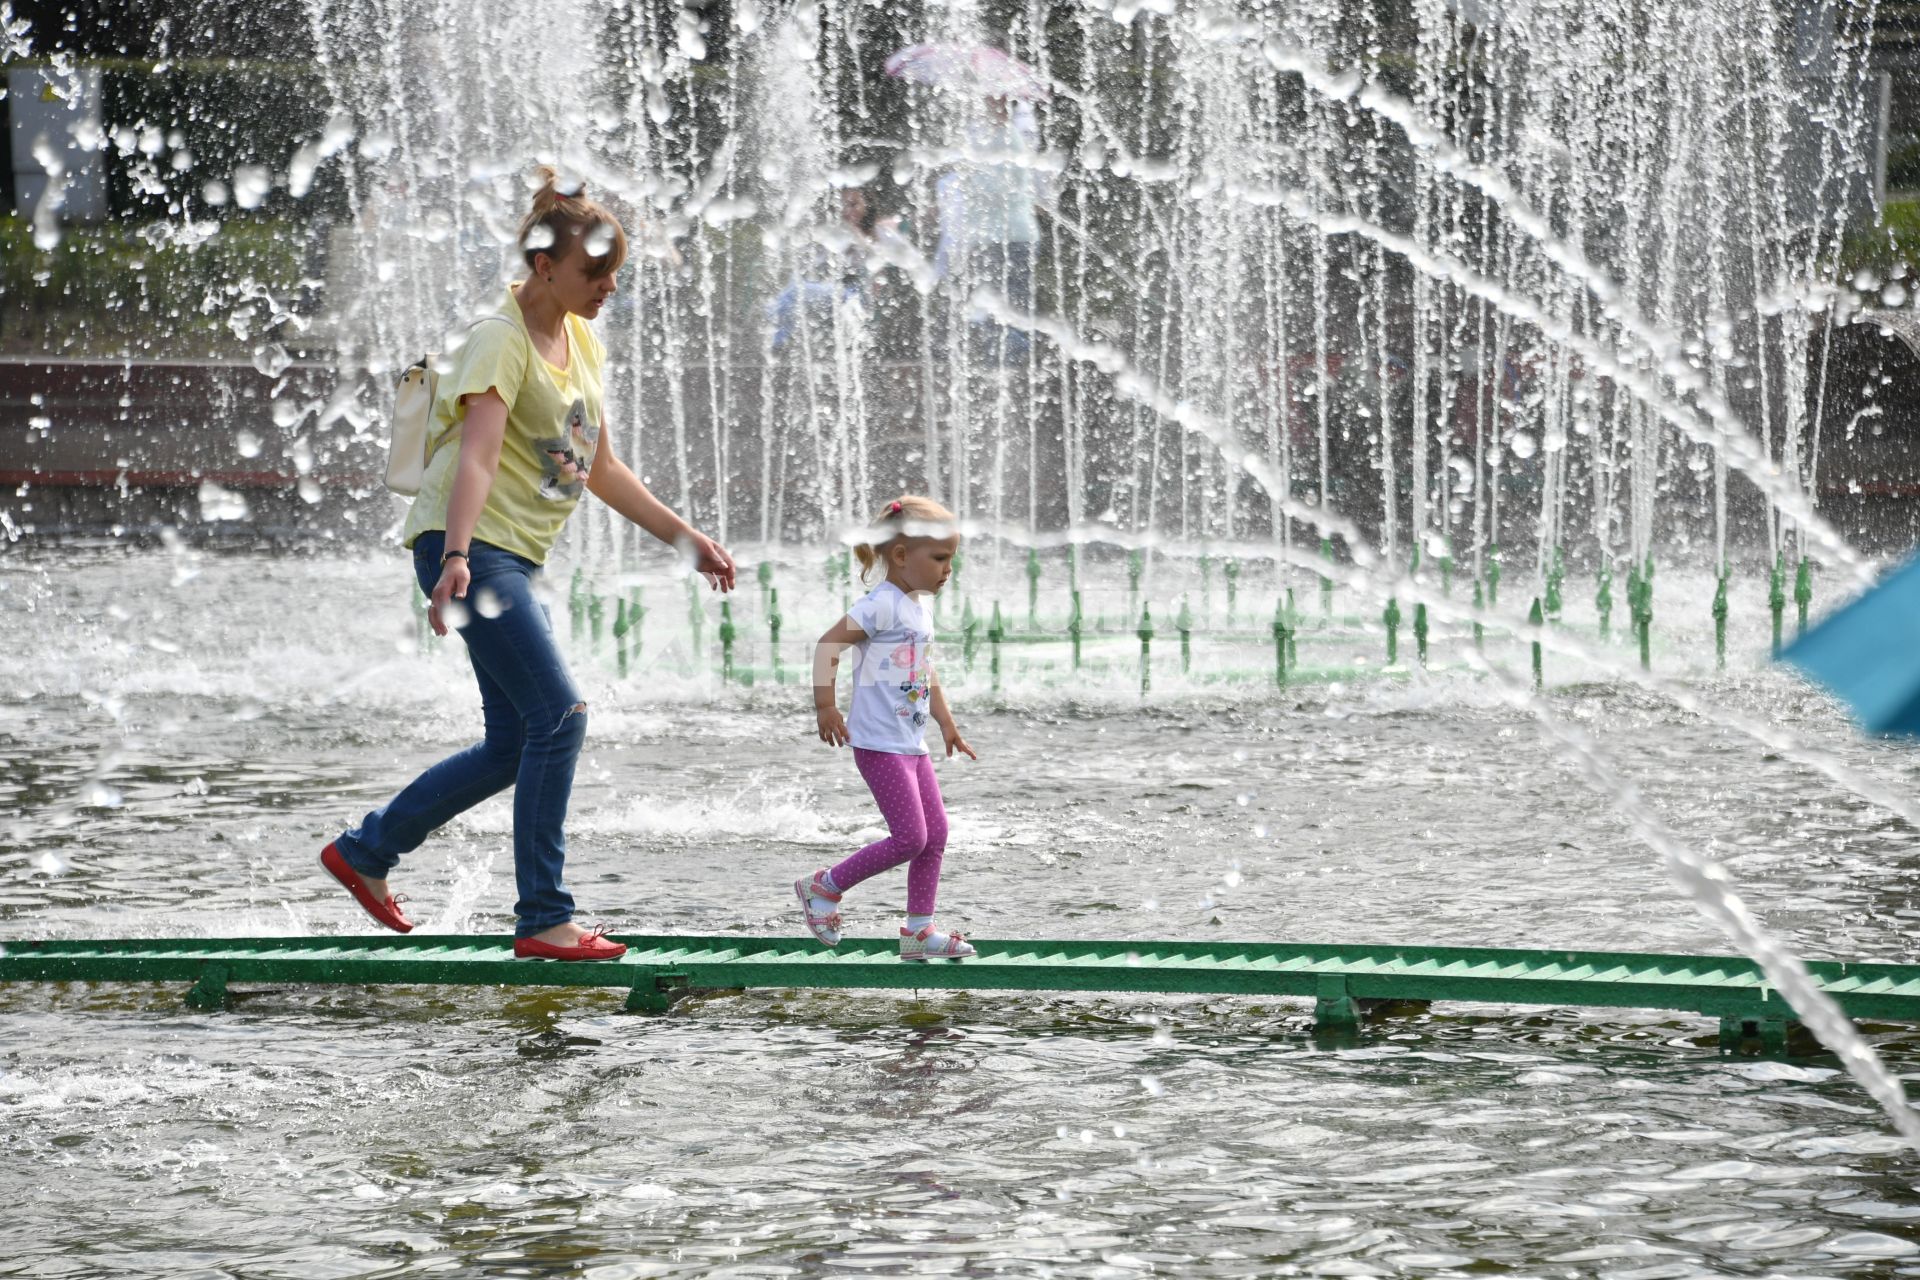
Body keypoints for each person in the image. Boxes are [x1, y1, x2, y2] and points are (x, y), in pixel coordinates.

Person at [320, 166, 736, 962]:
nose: (609, 286)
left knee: (515, 743)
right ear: (546, 266)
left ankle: (366, 853)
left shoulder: (580, 339)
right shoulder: (498, 340)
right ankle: (544, 918)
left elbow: (600, 467)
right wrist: (455, 555)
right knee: (561, 718)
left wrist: (688, 541)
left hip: (502, 557)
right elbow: (475, 460)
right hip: (472, 555)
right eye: (594, 272)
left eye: (616, 272)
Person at [795, 495, 978, 961]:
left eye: (951, 559)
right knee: (909, 838)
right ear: (900, 556)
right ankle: (824, 887)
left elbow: (923, 670)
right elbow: (827, 645)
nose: (948, 569)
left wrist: (947, 724)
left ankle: (919, 931)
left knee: (935, 836)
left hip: (910, 744)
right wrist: (825, 707)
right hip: (878, 743)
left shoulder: (919, 608)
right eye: (939, 558)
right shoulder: (881, 605)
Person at [932, 96, 1044, 364]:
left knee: (1006, 314)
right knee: (989, 312)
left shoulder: (1010, 139)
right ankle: (1002, 368)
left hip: (1012, 238)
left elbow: (1004, 190)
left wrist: (969, 180)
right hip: (991, 239)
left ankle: (1017, 371)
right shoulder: (990, 139)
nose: (981, 106)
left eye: (991, 99)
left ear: (1003, 104)